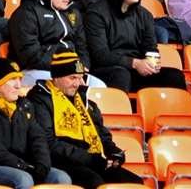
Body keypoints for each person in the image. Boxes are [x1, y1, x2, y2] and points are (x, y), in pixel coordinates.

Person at [0, 56, 72, 189]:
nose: (18, 85)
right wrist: (19, 165)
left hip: (22, 165)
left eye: (19, 79)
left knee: (61, 178)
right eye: (12, 79)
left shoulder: (24, 105)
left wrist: (42, 165)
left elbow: (38, 138)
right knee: (23, 179)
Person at [25, 48, 135, 188]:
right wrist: (88, 158)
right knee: (95, 182)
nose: (77, 83)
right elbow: (48, 142)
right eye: (72, 78)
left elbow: (102, 135)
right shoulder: (40, 100)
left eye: (79, 77)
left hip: (91, 160)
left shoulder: (85, 101)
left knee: (133, 182)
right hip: (60, 162)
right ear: (57, 77)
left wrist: (113, 152)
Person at [83, 0, 188, 93]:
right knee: (121, 74)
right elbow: (100, 55)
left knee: (174, 76)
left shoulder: (144, 15)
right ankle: (121, 110)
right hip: (108, 69)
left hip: (137, 68)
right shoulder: (96, 14)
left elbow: (150, 46)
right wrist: (134, 63)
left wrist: (152, 61)